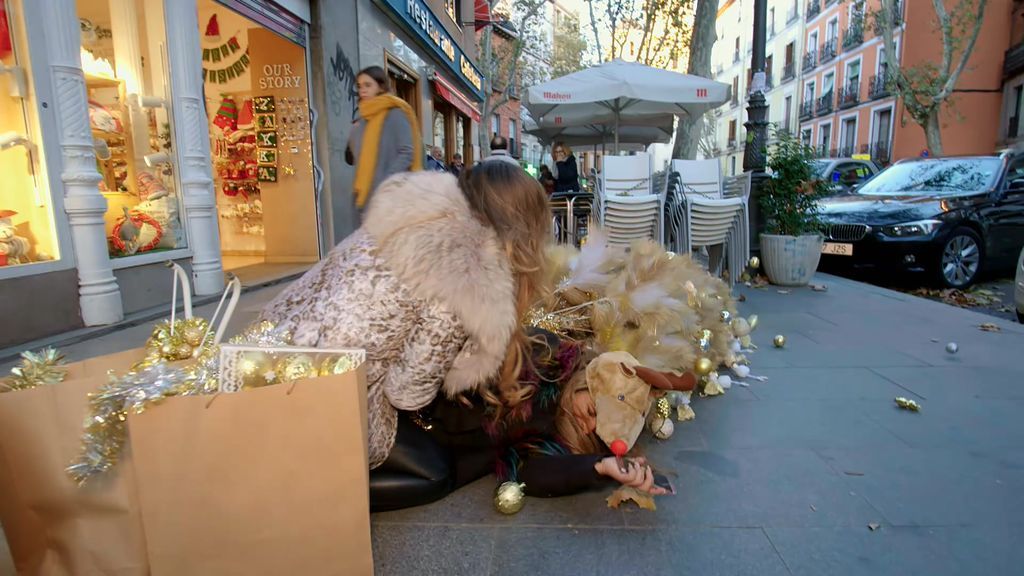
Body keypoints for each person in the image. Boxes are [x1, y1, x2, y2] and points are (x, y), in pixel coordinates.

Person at [257, 162, 551, 510]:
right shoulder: (467, 273)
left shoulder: (407, 218)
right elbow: (406, 394)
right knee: (434, 471)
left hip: (259, 361)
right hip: (320, 401)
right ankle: (306, 493)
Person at [345, 66, 422, 209]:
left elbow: (407, 152)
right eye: (359, 86)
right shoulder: (362, 119)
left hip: (391, 197)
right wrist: (352, 135)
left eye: (368, 85)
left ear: (380, 87)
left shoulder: (395, 114)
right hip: (363, 195)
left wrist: (386, 181)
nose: (363, 90)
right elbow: (351, 158)